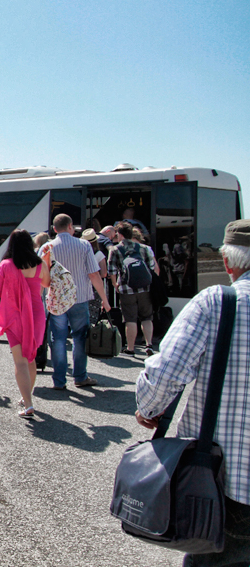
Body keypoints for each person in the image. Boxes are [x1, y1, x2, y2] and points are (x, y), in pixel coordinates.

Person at [134, 219, 250, 567]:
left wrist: (149, 407)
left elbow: (167, 371)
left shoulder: (218, 303)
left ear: (228, 264)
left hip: (226, 483)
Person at [45, 214, 111, 390]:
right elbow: (94, 274)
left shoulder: (46, 247)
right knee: (79, 338)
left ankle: (59, 380)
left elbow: (41, 277)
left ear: (54, 229)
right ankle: (80, 377)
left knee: (58, 339)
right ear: (70, 227)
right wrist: (104, 299)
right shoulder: (84, 245)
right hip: (79, 298)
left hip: (57, 301)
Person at [0, 229, 50, 418]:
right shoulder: (40, 264)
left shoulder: (6, 265)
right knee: (30, 358)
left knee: (20, 362)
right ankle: (26, 397)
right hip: (36, 315)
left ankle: (29, 404)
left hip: (14, 315)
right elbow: (47, 284)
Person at [108, 220, 159, 357]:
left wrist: (115, 284)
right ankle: (149, 344)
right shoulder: (144, 248)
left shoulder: (115, 249)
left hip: (126, 289)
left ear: (120, 234)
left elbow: (111, 270)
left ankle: (130, 348)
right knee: (147, 317)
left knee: (130, 319)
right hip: (145, 288)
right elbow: (152, 267)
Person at [81, 228, 109, 325]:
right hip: (95, 287)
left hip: (82, 284)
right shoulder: (99, 254)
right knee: (93, 313)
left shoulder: (80, 253)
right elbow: (104, 273)